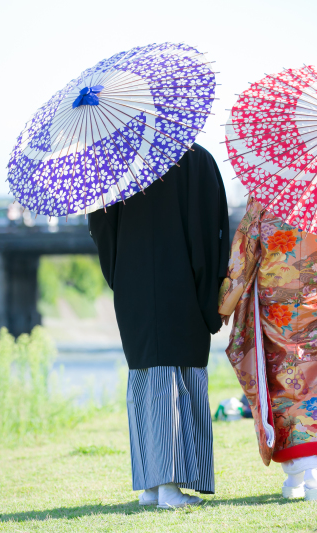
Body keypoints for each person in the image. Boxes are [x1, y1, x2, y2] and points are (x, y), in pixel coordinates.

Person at [89, 144, 230, 509]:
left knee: (147, 381)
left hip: (134, 285)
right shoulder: (195, 159)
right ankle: (168, 487)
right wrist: (210, 293)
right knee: (175, 380)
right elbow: (209, 233)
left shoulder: (116, 157)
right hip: (180, 284)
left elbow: (101, 227)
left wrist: (121, 274)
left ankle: (150, 485)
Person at [218, 199, 317, 501]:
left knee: (284, 388)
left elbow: (245, 252)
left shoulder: (267, 190)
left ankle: (294, 477)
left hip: (279, 311)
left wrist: (227, 303)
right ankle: (313, 478)